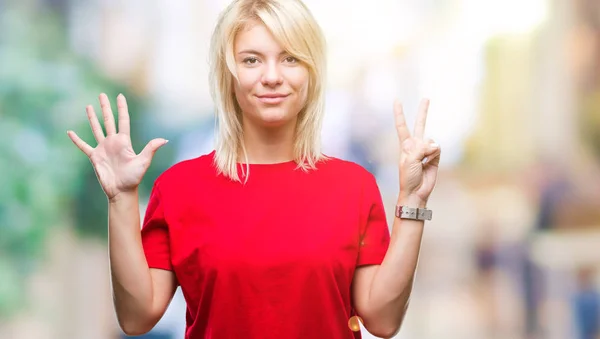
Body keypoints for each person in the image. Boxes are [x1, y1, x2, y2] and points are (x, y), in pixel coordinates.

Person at [66, 0, 441, 338]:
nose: (272, 76)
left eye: (290, 58)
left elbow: (383, 319)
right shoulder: (180, 188)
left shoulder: (354, 187)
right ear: (228, 75)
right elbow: (136, 317)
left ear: (311, 72)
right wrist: (121, 198)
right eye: (251, 60)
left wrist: (413, 200)